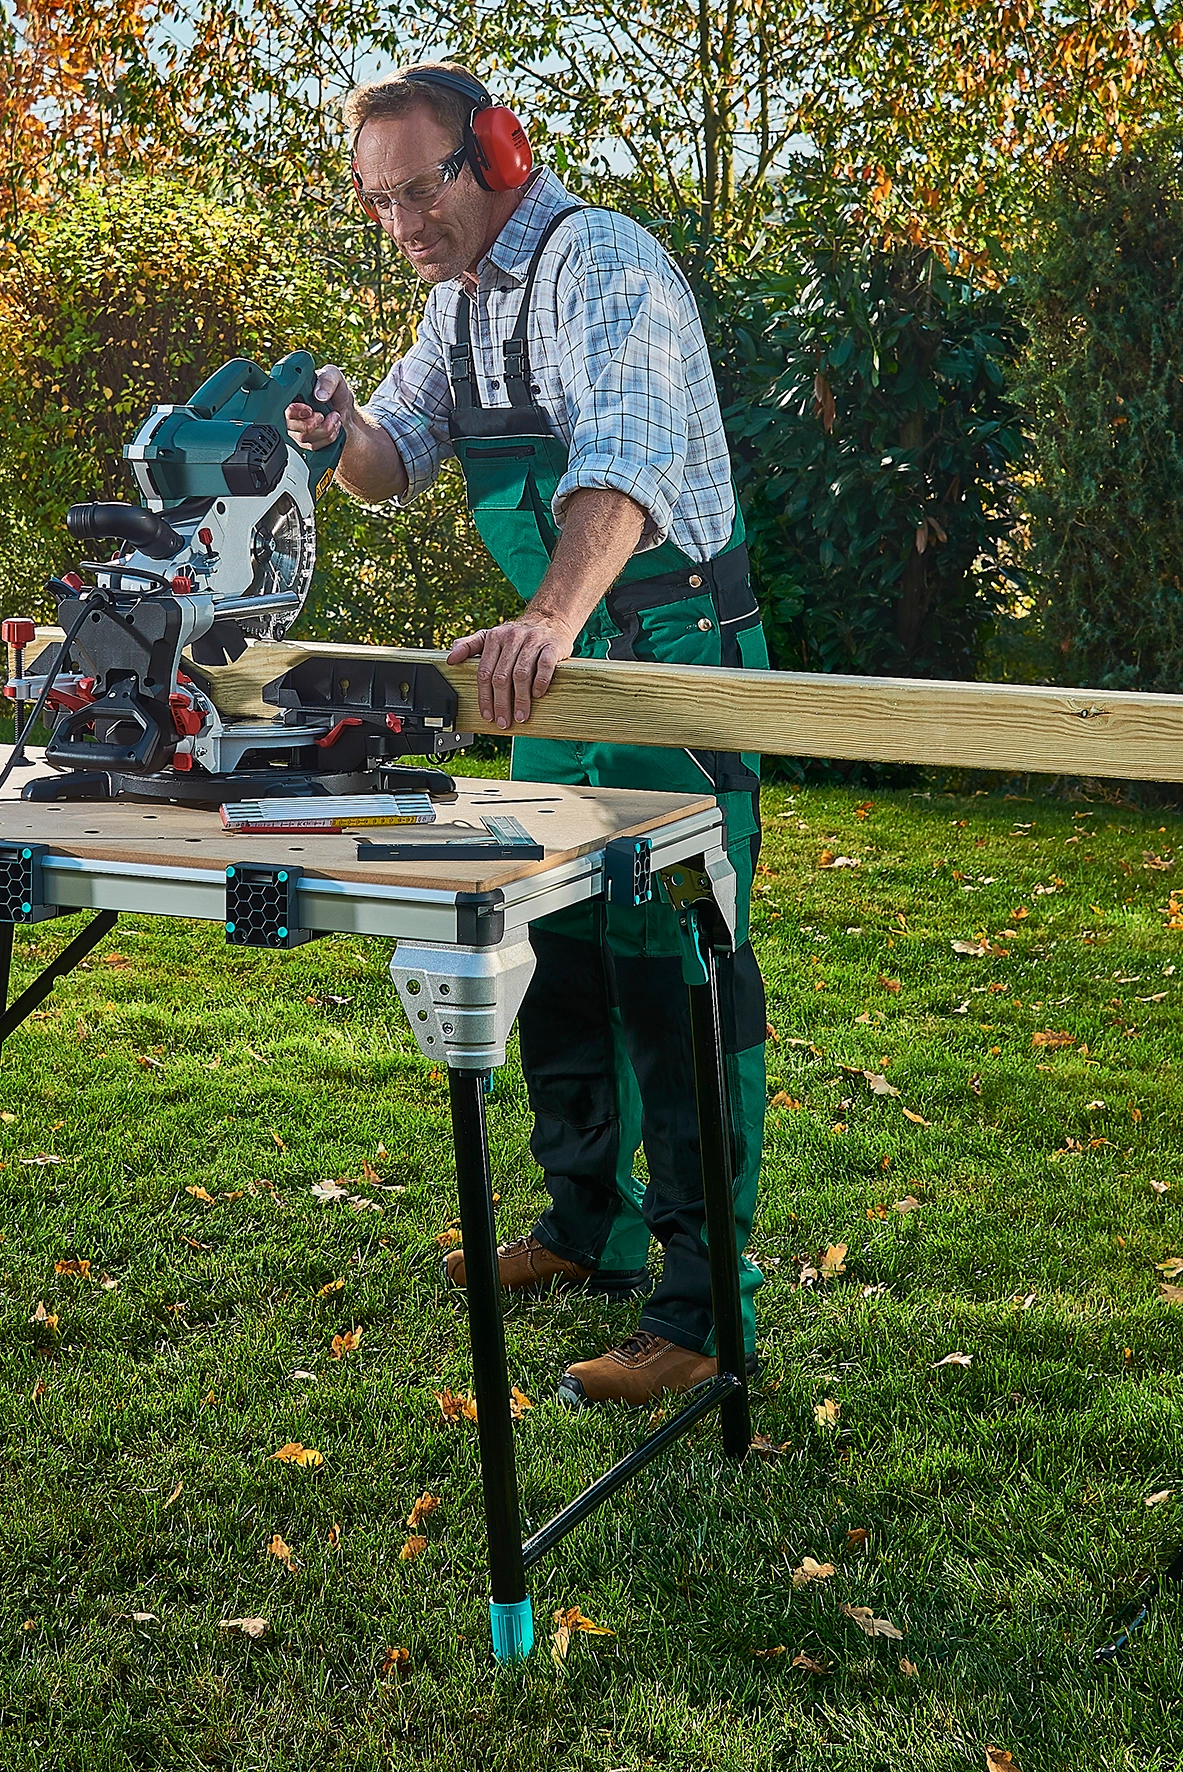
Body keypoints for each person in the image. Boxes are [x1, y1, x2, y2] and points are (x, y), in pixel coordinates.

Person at [287, 63, 768, 1407]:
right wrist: (338, 432)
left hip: (671, 655)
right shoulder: (456, 305)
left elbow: (624, 460)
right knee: (553, 935)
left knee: (681, 969)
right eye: (378, 204)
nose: (403, 226)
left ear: (496, 148)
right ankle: (586, 1228)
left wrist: (549, 617)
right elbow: (393, 468)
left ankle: (700, 1310)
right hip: (556, 671)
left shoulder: (595, 266)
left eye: (420, 190)